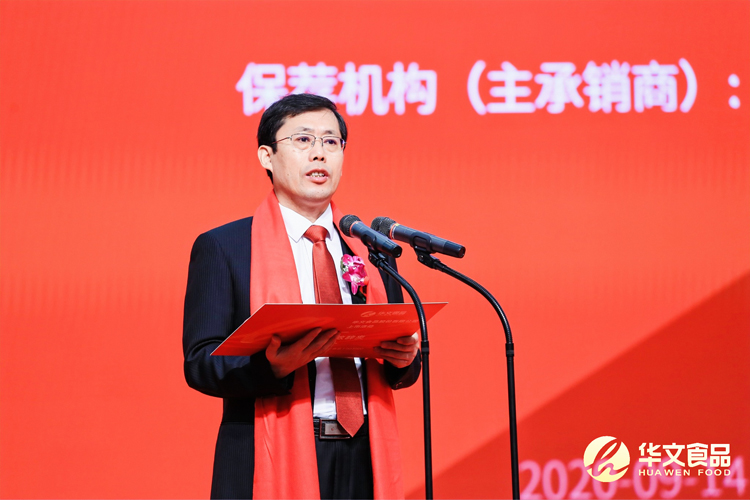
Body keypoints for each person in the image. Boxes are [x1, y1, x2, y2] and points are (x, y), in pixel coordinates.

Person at [183, 93, 421, 499]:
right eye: (303, 140)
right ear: (267, 156)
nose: (319, 153)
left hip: (365, 455)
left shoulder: (372, 249)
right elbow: (200, 363)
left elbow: (402, 365)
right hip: (270, 451)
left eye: (331, 142)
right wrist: (271, 367)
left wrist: (405, 359)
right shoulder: (226, 247)